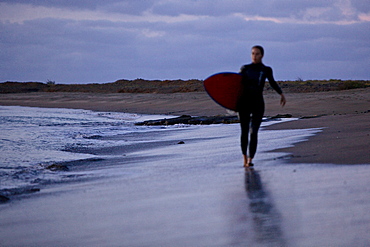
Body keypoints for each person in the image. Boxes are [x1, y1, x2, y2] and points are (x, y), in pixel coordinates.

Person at [238, 45, 286, 167]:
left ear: (262, 55)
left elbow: (272, 82)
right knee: (244, 132)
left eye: (257, 54)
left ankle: (250, 159)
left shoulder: (266, 70)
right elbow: (236, 85)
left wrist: (281, 94)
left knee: (253, 132)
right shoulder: (245, 69)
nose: (255, 56)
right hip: (244, 104)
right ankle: (244, 158)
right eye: (253, 53)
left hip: (258, 104)